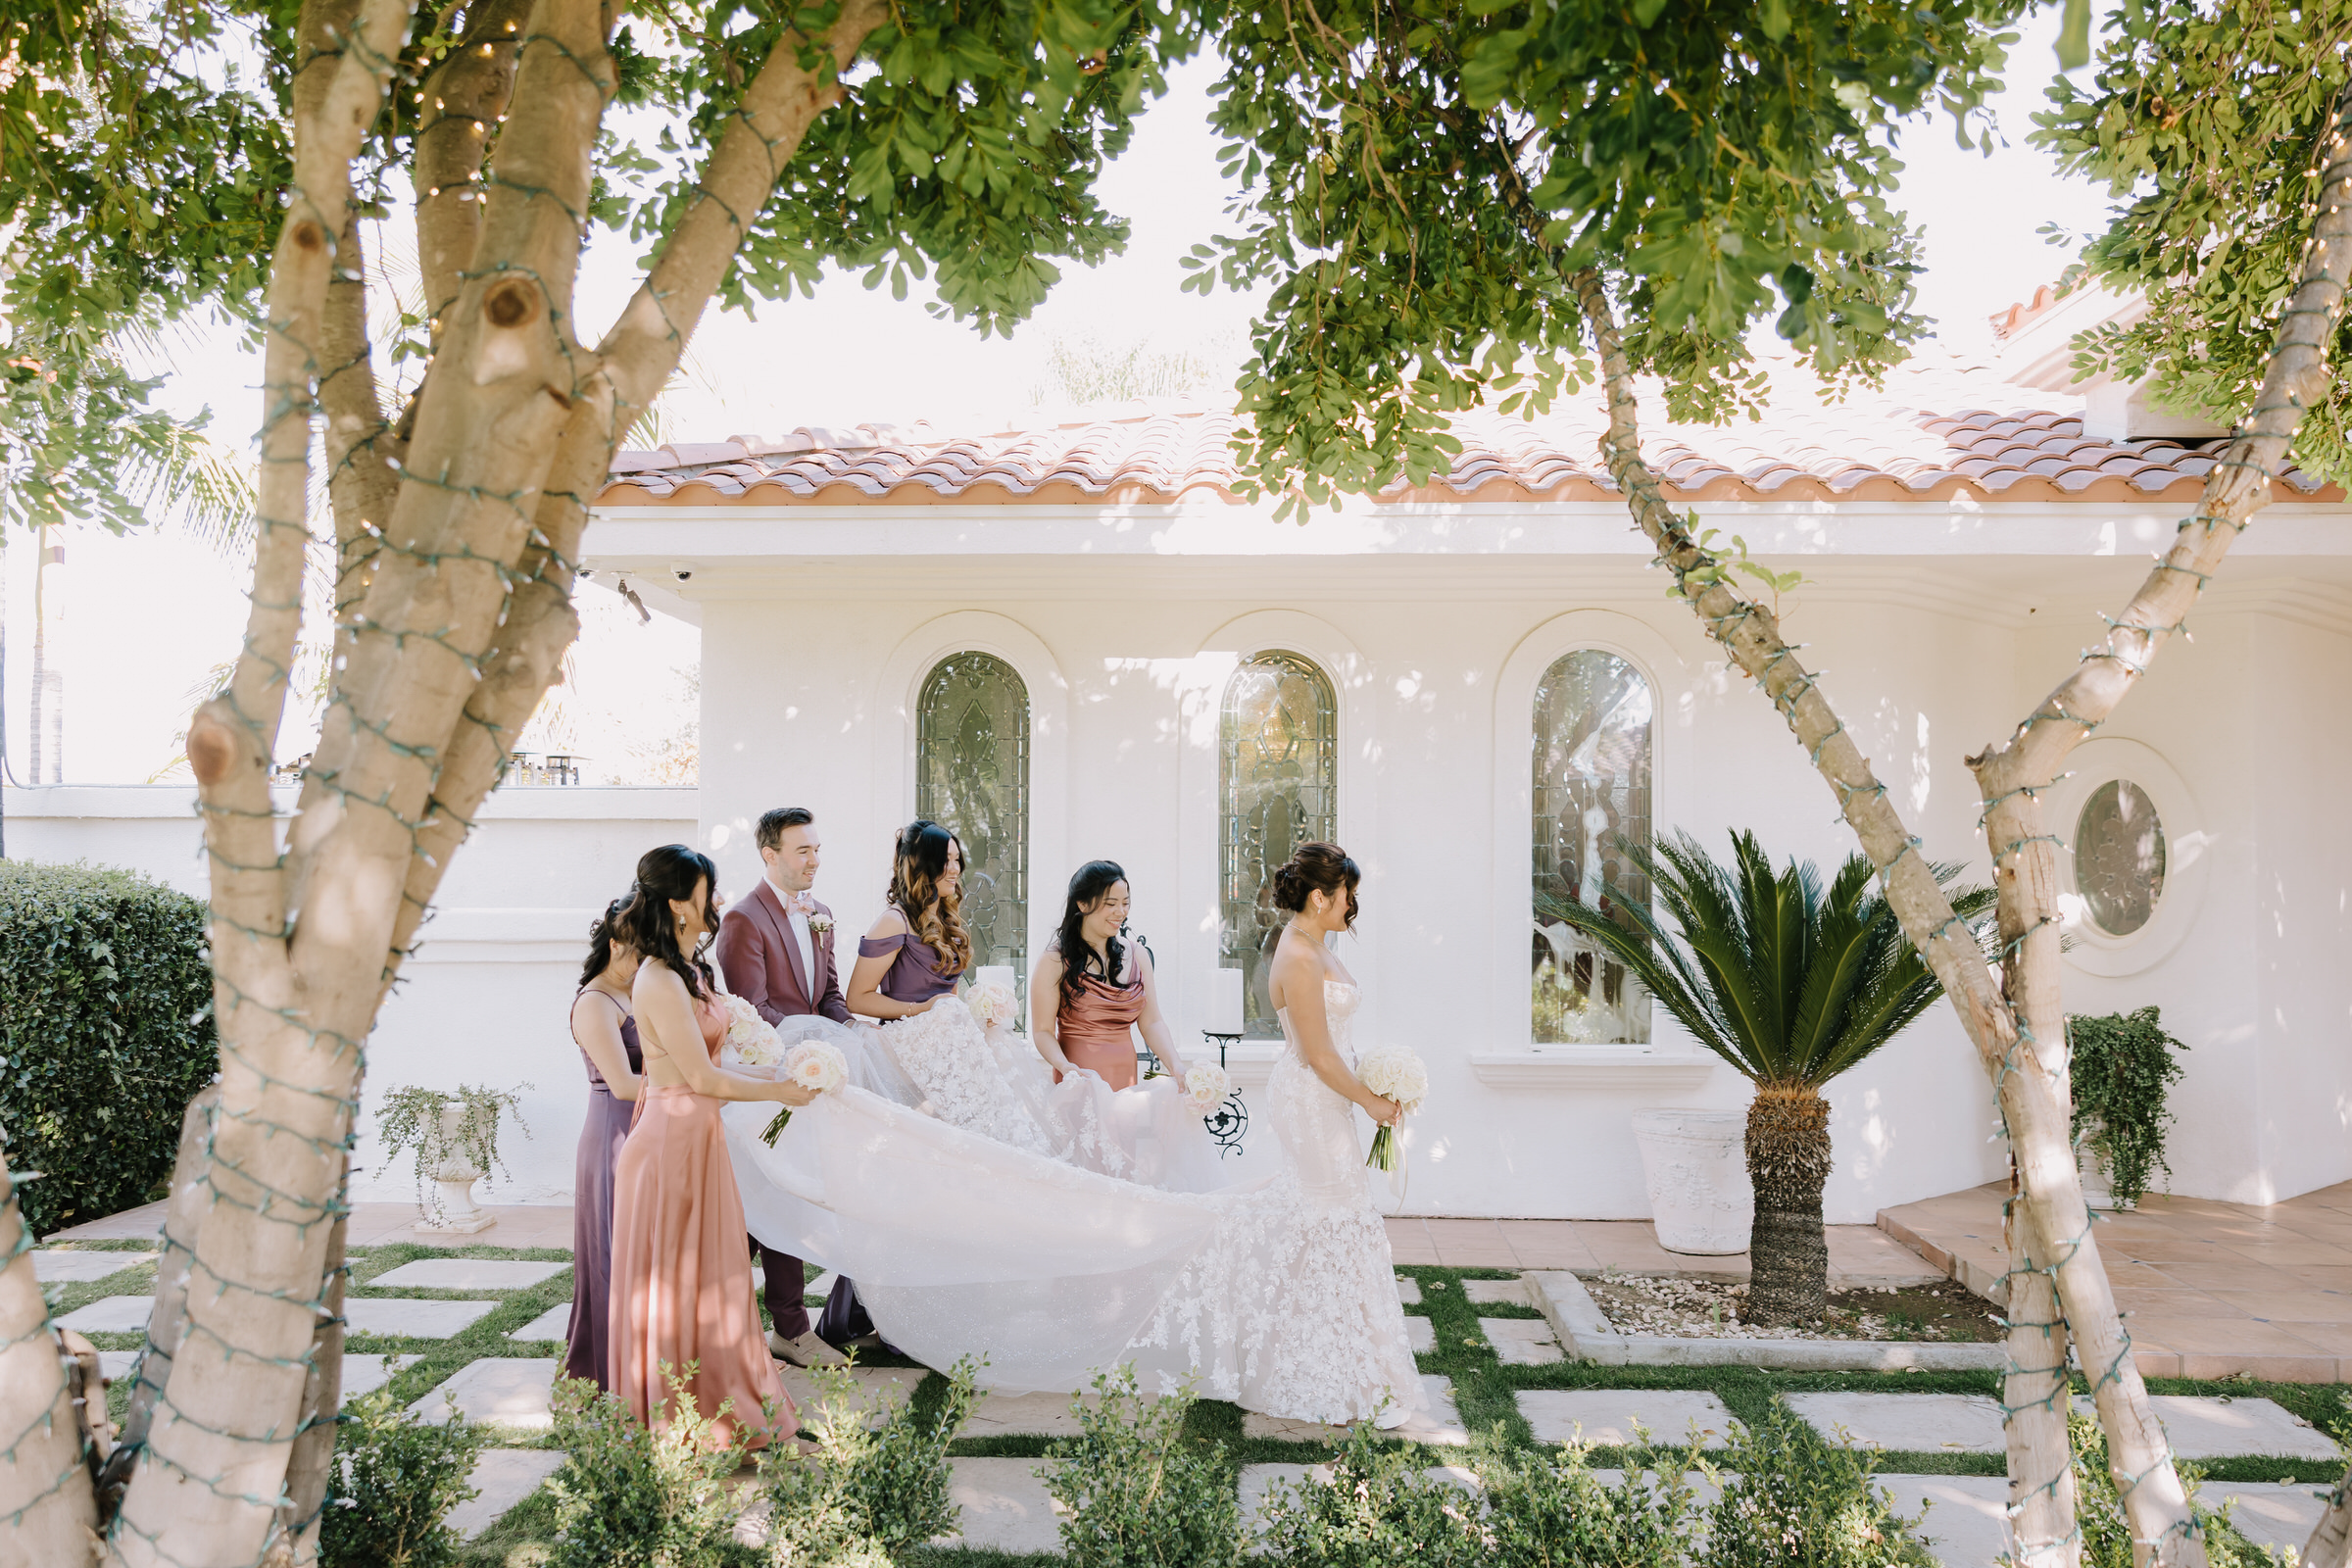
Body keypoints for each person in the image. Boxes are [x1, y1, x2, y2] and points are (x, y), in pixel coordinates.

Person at [609, 844, 812, 1448]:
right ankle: (686, 1426)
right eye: (708, 890)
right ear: (679, 903)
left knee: (718, 1285)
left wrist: (786, 1080)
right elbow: (698, 1080)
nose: (717, 899)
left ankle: (733, 1413)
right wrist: (779, 1089)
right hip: (670, 1146)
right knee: (680, 1288)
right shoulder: (660, 979)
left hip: (699, 1138)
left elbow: (716, 1067)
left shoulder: (689, 970)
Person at [1247, 840, 1422, 1426]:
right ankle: (1327, 1370)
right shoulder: (1297, 955)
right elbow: (1319, 1055)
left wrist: (1376, 1072)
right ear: (1321, 896)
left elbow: (1336, 1045)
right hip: (1312, 1099)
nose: (1353, 906)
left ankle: (1338, 1358)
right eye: (1348, 895)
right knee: (1336, 1216)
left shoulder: (1315, 944)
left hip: (1328, 1093)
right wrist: (1372, 1101)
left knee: (1336, 1220)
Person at [713, 806, 855, 1368]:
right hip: (765, 1083)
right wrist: (803, 1056)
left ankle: (780, 1326)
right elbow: (755, 1013)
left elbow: (830, 996)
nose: (814, 859)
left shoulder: (821, 914)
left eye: (817, 848)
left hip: (810, 1081)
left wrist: (849, 1035)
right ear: (769, 854)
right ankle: (755, 1322)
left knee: (784, 1200)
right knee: (761, 1204)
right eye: (802, 850)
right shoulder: (742, 920)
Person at [564, 897, 640, 1389]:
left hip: (647, 1127)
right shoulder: (595, 1003)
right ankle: (610, 1372)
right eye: (637, 953)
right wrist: (704, 1080)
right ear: (613, 945)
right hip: (614, 1134)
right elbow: (626, 1084)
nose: (645, 965)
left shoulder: (635, 991)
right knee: (613, 1258)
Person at [1030, 860, 1189, 1092]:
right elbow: (1042, 1031)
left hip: (1126, 1084)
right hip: (1079, 1083)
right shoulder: (1054, 960)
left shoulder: (1137, 955)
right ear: (1082, 904)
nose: (1121, 912)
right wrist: (1065, 1066)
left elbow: (1152, 1021)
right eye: (1110, 904)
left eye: (1125, 903)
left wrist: (1175, 1064)